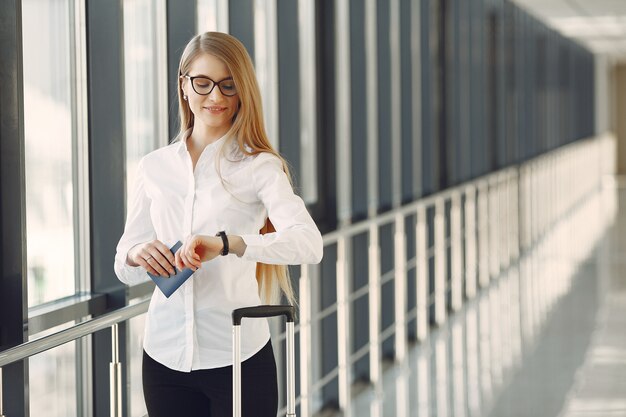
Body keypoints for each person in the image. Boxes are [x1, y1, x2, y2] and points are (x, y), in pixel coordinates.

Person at [114, 31, 323, 417]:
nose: (216, 97)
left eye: (228, 85)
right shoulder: (153, 167)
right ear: (184, 85)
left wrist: (228, 244)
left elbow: (309, 244)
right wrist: (137, 253)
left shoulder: (259, 166)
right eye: (203, 83)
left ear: (242, 90)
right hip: (163, 358)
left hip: (239, 356)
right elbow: (123, 264)